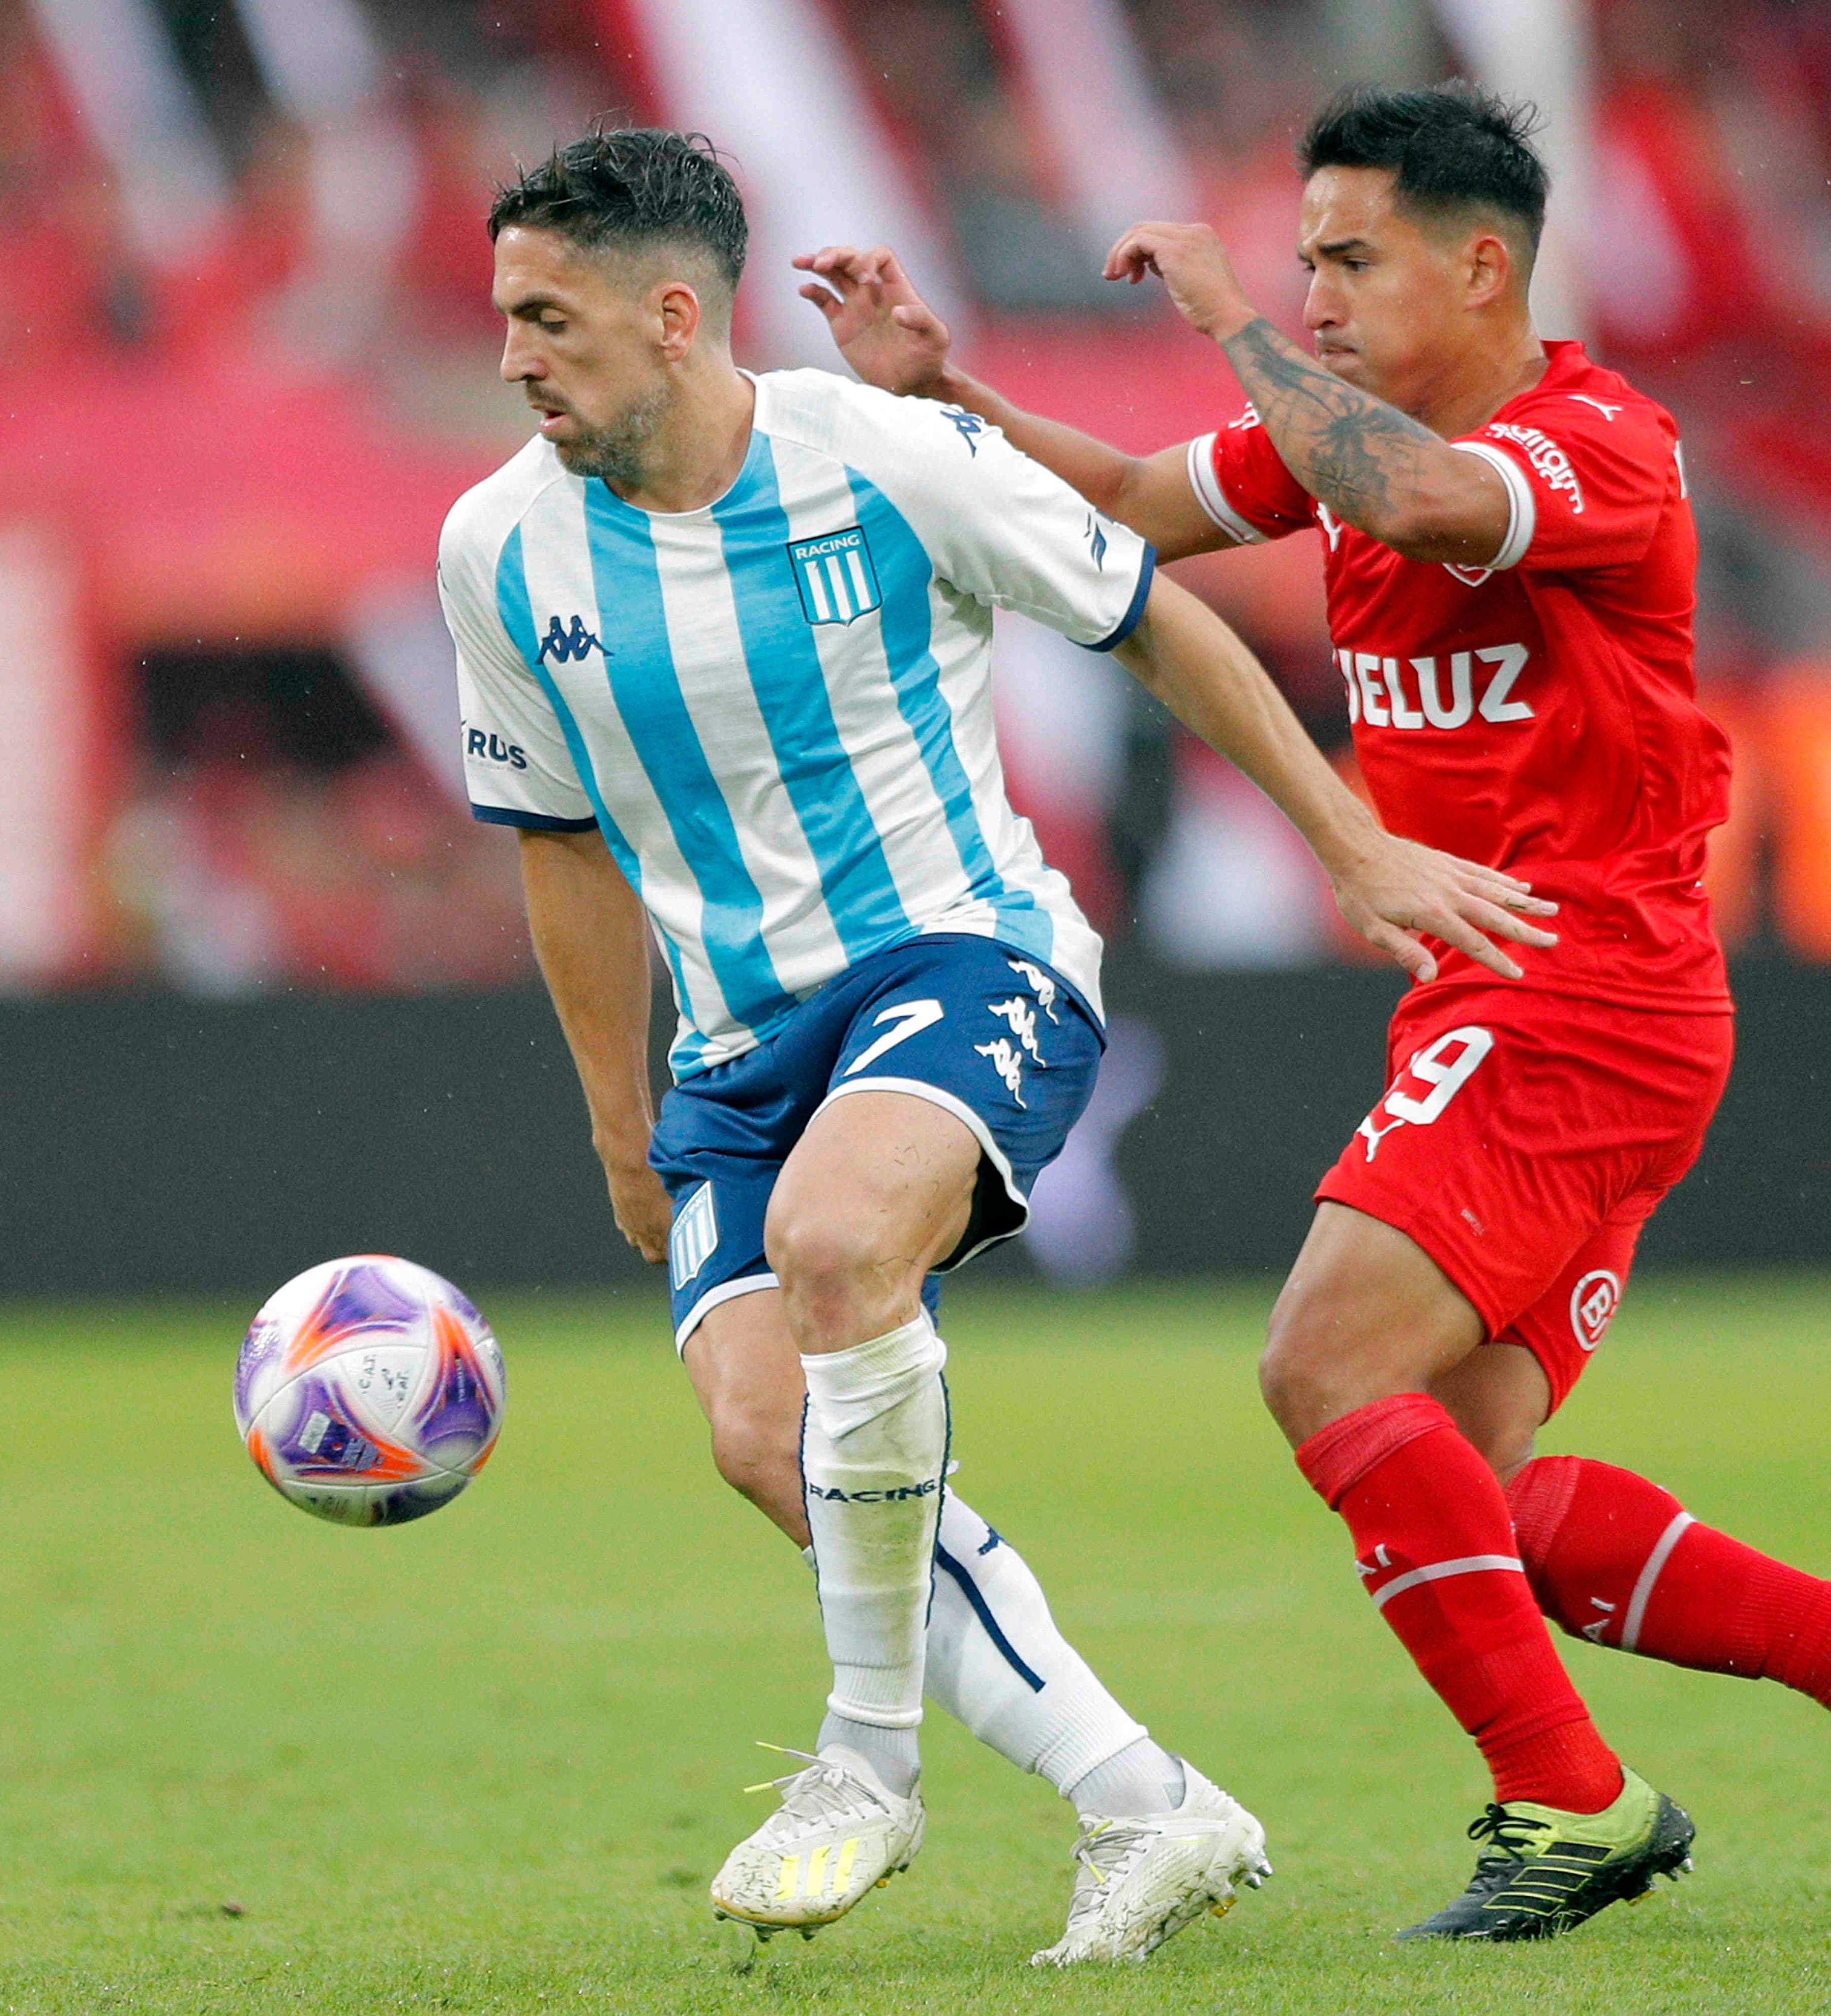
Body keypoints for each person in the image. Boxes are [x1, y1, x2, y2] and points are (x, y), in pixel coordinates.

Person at [795, 82, 1831, 1942]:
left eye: (1351, 261)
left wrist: (1227, 319)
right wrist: (939, 394)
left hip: (1578, 993)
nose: (1321, 295)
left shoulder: (1597, 441)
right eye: (1305, 267)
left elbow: (1412, 495)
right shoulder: (1343, 439)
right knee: (1475, 1486)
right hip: (1525, 999)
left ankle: (1567, 1800)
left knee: (1320, 1367)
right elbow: (1128, 505)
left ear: (1483, 263)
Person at [441, 128, 1552, 1963]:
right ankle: (1147, 1803)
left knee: (836, 1240)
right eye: (503, 318)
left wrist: (1348, 841)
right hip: (734, 1048)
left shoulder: (877, 455)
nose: (512, 358)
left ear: (670, 313)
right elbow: (559, 844)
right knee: (761, 1438)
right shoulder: (497, 551)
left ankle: (864, 1766)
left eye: (545, 319)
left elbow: (1151, 616)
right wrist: (620, 1124)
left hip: (961, 956)